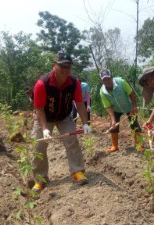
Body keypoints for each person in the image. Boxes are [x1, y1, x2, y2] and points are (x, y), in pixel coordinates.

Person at [31, 52, 92, 193]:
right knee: (39, 147)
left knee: (72, 141)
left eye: (68, 66)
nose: (65, 69)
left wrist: (85, 123)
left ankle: (77, 171)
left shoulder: (74, 82)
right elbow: (39, 109)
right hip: (45, 117)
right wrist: (45, 129)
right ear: (54, 66)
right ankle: (40, 179)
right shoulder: (42, 84)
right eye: (62, 66)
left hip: (65, 116)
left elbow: (80, 104)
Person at [99, 69, 144, 153]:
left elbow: (131, 94)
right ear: (101, 81)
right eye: (104, 79)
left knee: (134, 124)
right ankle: (114, 146)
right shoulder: (102, 92)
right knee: (113, 126)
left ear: (111, 77)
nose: (107, 81)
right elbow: (108, 107)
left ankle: (139, 145)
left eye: (108, 78)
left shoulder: (121, 82)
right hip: (115, 109)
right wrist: (113, 120)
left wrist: (134, 107)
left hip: (129, 106)